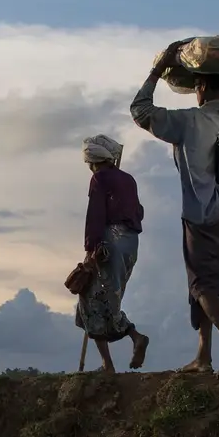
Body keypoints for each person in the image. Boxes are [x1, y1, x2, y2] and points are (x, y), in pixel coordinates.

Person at [131, 43, 219, 377]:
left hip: (199, 212)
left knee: (201, 285)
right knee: (210, 284)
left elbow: (141, 111)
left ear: (201, 86)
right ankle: (203, 357)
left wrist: (156, 70)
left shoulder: (190, 120)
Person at [76, 134, 151, 372]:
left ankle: (109, 362)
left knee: (90, 298)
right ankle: (132, 338)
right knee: (110, 298)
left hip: (109, 244)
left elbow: (95, 214)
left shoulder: (99, 179)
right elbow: (138, 211)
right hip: (130, 244)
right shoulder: (128, 180)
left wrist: (91, 248)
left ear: (93, 161)